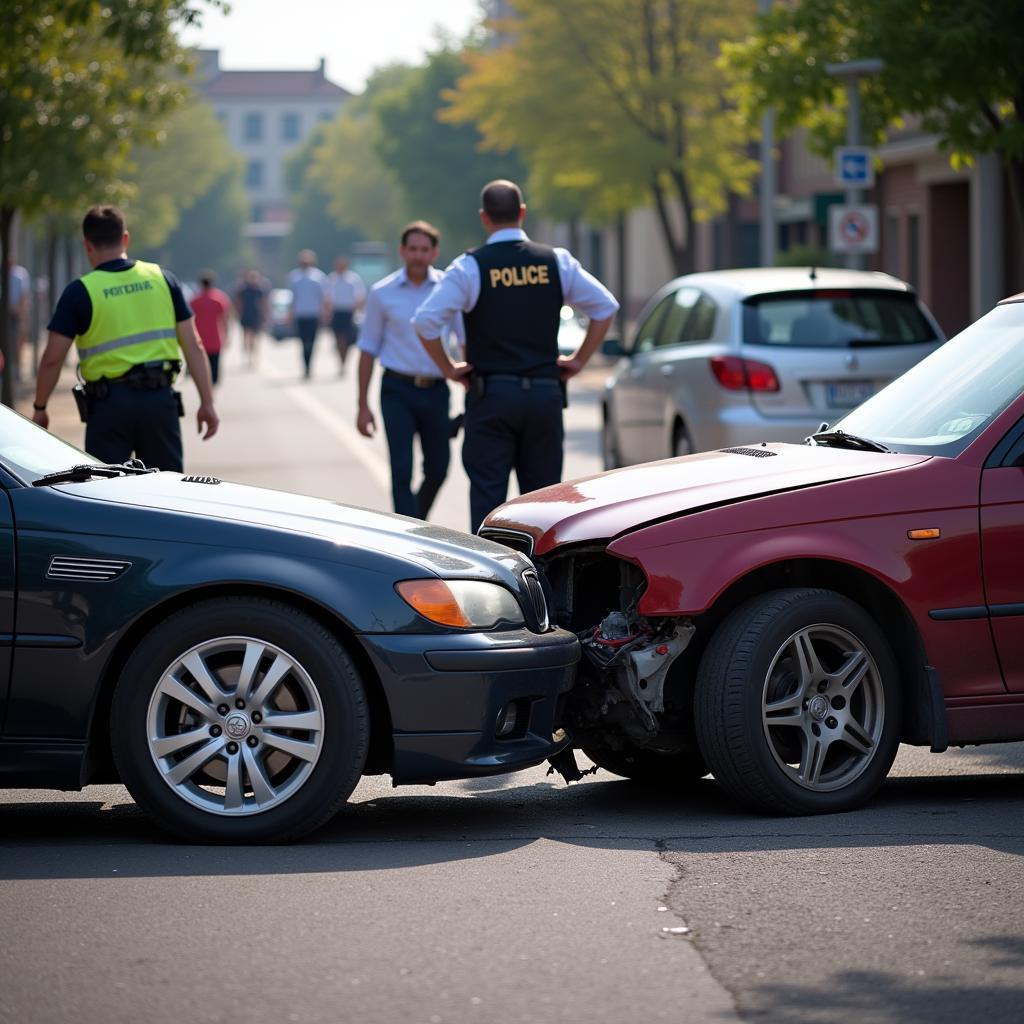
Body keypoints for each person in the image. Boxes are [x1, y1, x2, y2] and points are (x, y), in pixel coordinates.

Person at [413, 179, 618, 531]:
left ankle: (492, 577)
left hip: (492, 397)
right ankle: (539, 581)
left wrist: (448, 368)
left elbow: (425, 322)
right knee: (542, 504)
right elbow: (605, 307)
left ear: (484, 218)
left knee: (489, 501)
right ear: (522, 213)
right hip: (544, 395)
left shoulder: (470, 267)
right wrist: (579, 360)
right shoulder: (555, 261)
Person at [33, 204, 218, 471]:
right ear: (126, 238)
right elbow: (194, 345)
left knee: (110, 496)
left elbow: (52, 359)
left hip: (109, 408)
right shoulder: (163, 279)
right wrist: (207, 402)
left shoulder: (80, 292)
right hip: (159, 403)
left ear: (87, 245)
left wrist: (40, 407)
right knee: (168, 494)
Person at [356, 221, 464, 520]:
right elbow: (367, 349)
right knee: (401, 469)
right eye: (412, 249)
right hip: (397, 390)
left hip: (436, 390)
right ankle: (408, 533)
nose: (418, 255)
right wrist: (362, 405)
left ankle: (416, 520)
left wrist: (473, 390)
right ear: (402, 251)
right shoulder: (382, 292)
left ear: (434, 253)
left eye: (424, 249)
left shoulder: (448, 289)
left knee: (438, 468)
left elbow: (464, 341)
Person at [287, 249, 327, 379]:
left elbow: (323, 297)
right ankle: (306, 367)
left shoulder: (318, 277)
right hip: (300, 314)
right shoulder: (294, 277)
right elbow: (293, 297)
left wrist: (324, 314)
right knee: (303, 343)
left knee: (312, 342)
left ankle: (310, 365)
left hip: (314, 314)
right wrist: (290, 314)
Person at [325, 256, 366, 375]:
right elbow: (327, 298)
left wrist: (357, 312)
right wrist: (327, 312)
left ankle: (344, 361)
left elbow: (360, 296)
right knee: (338, 339)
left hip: (349, 312)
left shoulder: (353, 279)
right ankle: (340, 361)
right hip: (337, 312)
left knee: (347, 339)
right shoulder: (332, 279)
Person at [190, 270, 232, 385]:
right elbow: (226, 319)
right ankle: (211, 399)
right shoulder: (220, 299)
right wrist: (227, 336)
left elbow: (188, 321)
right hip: (215, 341)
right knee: (214, 377)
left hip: (199, 341)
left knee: (201, 373)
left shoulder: (194, 300)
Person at [235, 269, 268, 368]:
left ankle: (254, 357)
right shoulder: (243, 290)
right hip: (246, 315)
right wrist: (238, 313)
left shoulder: (259, 290)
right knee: (246, 337)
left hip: (255, 315)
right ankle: (248, 356)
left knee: (255, 337)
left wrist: (264, 315)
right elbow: (239, 303)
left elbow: (263, 303)